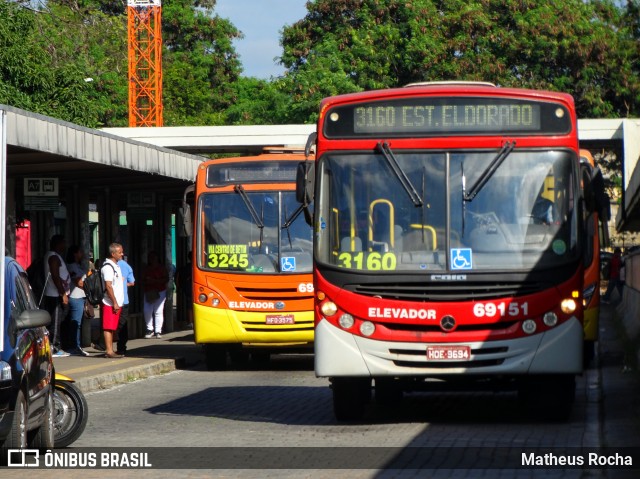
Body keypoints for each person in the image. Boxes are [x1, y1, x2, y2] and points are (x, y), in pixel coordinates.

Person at [43, 234, 71, 357]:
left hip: (56, 293)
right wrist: (62, 293)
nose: (65, 245)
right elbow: (55, 276)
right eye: (63, 243)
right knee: (55, 322)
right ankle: (54, 347)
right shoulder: (53, 257)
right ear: (58, 244)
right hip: (54, 295)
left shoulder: (55, 256)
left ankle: (55, 345)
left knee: (59, 320)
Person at [101, 243, 125, 358]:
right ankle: (109, 351)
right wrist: (114, 302)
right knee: (108, 327)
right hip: (110, 302)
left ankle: (111, 349)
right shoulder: (108, 267)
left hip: (117, 302)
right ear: (113, 253)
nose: (122, 254)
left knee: (113, 327)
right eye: (120, 252)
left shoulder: (116, 265)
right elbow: (108, 285)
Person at [65, 245, 90, 356]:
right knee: (76, 323)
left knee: (77, 322)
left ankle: (76, 345)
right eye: (80, 252)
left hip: (80, 296)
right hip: (75, 296)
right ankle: (75, 346)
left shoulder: (76, 266)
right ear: (75, 253)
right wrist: (90, 287)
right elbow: (78, 282)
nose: (82, 254)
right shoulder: (71, 266)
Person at [143, 251, 168, 338]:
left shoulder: (161, 268)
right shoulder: (147, 268)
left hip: (160, 291)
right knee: (147, 310)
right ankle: (149, 329)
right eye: (151, 258)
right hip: (149, 291)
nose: (152, 260)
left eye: (154, 258)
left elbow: (166, 278)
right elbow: (143, 279)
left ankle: (158, 330)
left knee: (158, 310)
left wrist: (155, 281)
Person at [116, 254, 136, 355]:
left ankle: (105, 344)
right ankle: (121, 347)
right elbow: (132, 282)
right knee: (122, 324)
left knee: (112, 323)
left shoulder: (112, 265)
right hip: (124, 300)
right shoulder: (127, 266)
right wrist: (124, 284)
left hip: (113, 299)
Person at [175, 258, 193, 329]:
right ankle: (192, 321)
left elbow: (177, 278)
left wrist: (179, 287)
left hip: (186, 289)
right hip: (191, 289)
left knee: (189, 306)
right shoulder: (194, 267)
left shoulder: (184, 267)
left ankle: (190, 322)